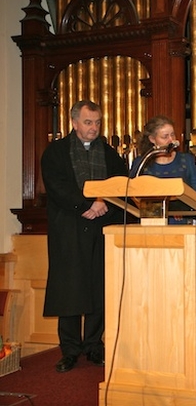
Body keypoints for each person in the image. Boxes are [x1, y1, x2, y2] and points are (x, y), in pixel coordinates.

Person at [41, 100, 128, 372]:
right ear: (74, 123)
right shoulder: (56, 152)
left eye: (98, 122)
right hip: (68, 228)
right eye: (88, 122)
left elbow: (121, 183)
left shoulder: (111, 154)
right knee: (69, 288)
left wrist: (102, 203)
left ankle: (93, 345)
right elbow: (57, 186)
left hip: (101, 227)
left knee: (97, 287)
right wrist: (87, 204)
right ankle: (69, 349)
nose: (94, 128)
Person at [129, 116, 196, 223]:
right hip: (148, 225)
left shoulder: (186, 160)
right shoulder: (141, 162)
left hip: (181, 225)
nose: (171, 140)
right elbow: (131, 194)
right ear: (152, 139)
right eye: (165, 137)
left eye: (172, 135)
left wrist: (181, 209)